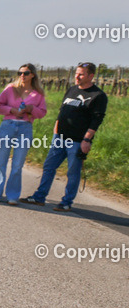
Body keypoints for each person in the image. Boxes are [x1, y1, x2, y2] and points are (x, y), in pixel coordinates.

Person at [22, 62, 107, 211]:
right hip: (59, 138)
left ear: (91, 76)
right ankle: (39, 197)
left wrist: (87, 140)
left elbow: (96, 120)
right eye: (76, 73)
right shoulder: (72, 90)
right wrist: (56, 131)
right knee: (49, 166)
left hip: (78, 141)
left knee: (72, 172)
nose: (77, 76)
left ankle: (66, 202)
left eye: (81, 74)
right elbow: (62, 111)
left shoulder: (98, 96)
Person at [0, 64, 47, 204]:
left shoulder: (38, 93)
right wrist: (12, 110)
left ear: (32, 74)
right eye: (20, 72)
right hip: (7, 126)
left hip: (25, 128)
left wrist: (31, 108)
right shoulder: (10, 89)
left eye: (26, 73)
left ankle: (12, 196)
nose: (22, 75)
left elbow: (42, 112)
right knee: (0, 162)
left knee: (17, 165)